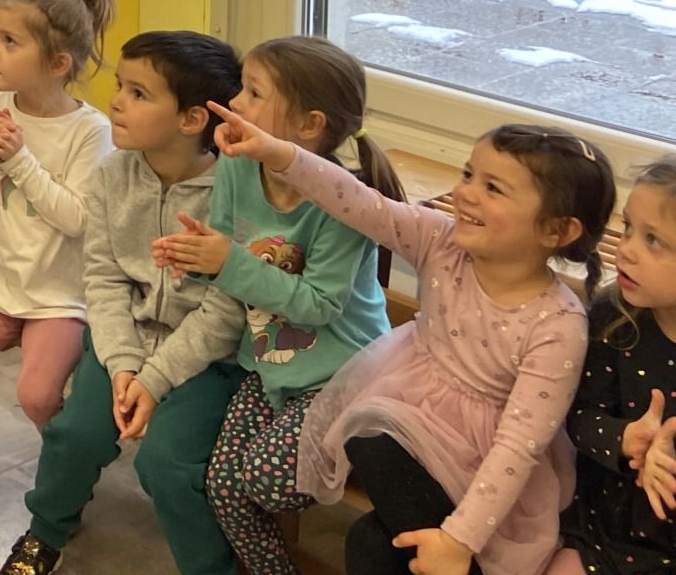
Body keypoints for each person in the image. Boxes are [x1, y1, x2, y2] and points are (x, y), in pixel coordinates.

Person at [210, 101, 616, 575]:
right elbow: (360, 203)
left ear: (556, 230)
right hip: (407, 407)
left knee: (374, 458)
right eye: (468, 175)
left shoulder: (558, 325)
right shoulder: (441, 241)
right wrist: (279, 153)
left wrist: (459, 540)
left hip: (481, 468)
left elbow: (517, 447)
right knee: (368, 518)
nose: (464, 194)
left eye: (493, 188)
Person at [0, 30, 247, 575]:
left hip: (206, 362)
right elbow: (104, 279)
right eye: (120, 86)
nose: (115, 102)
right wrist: (123, 366)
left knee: (168, 464)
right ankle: (45, 533)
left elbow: (226, 312)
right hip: (121, 344)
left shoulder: (235, 194)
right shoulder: (112, 174)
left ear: (192, 119)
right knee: (74, 435)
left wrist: (154, 380)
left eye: (138, 93)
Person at [150, 38, 400, 575]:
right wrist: (195, 256)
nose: (236, 102)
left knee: (262, 480)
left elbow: (318, 305)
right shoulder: (239, 167)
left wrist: (226, 262)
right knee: (224, 485)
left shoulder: (342, 200)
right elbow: (227, 252)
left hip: (343, 374)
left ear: (309, 125)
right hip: (270, 366)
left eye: (254, 93)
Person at [0, 0, 118, 550]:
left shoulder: (90, 131)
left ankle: (65, 481)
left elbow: (79, 219)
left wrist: (19, 160)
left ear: (58, 63)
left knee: (37, 396)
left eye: (10, 41)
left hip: (59, 298)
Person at [555, 157, 676, 574]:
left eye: (653, 240)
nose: (625, 249)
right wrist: (626, 439)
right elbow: (576, 415)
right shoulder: (614, 318)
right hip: (603, 530)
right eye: (628, 228)